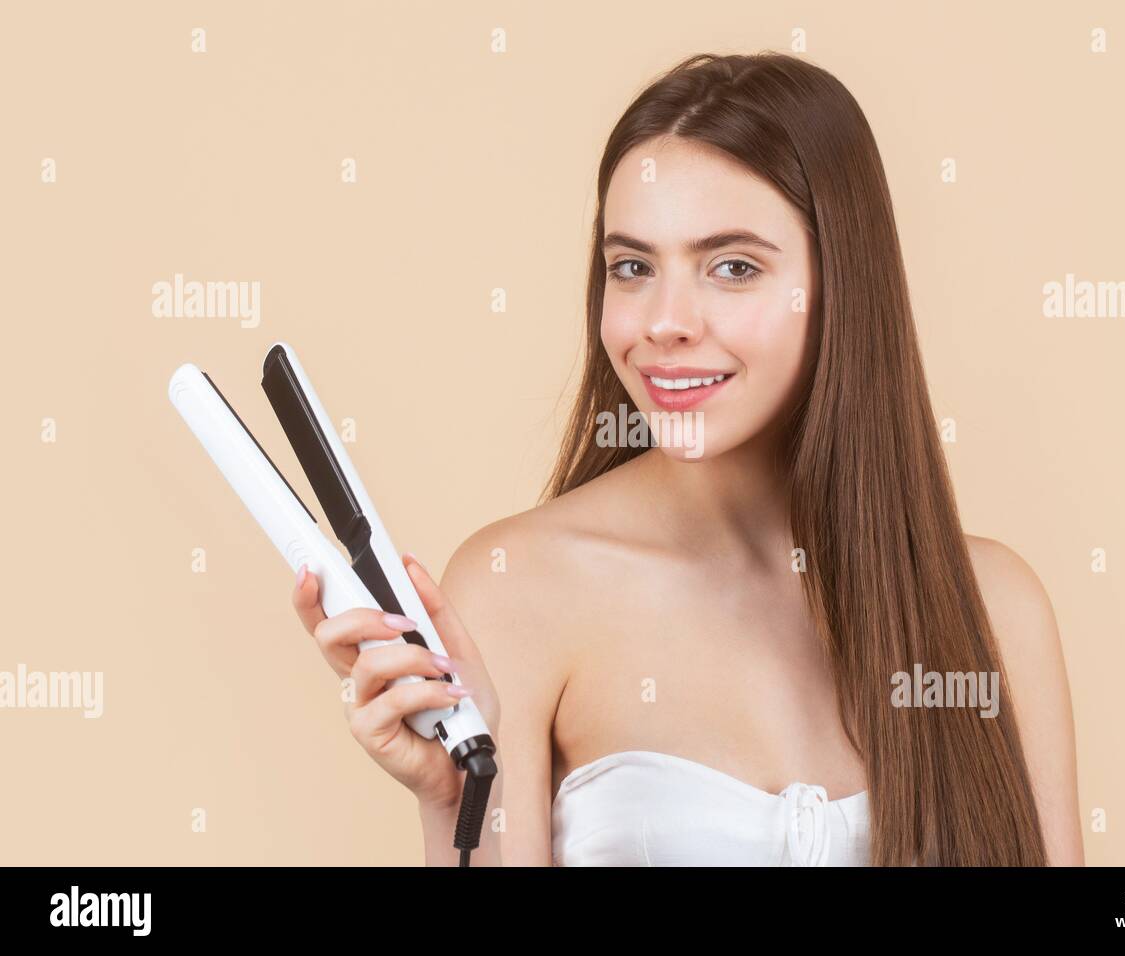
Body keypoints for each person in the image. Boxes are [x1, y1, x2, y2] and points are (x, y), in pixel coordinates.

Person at [291, 51, 1084, 867]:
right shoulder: (517, 589)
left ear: (842, 282)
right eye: (632, 267)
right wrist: (455, 801)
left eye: (732, 267)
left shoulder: (994, 612)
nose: (664, 322)